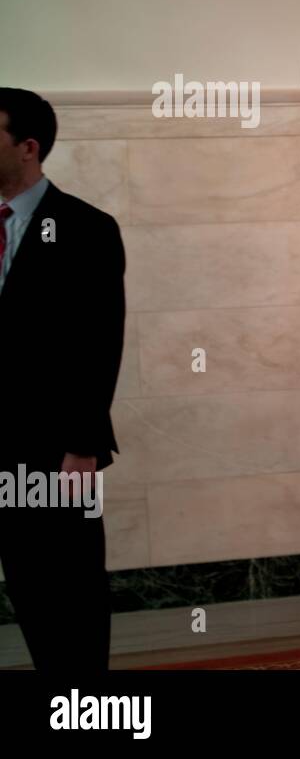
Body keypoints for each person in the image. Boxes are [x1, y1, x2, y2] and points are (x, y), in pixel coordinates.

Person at [0, 87, 126, 671]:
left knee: (66, 592)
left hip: (54, 452)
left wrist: (82, 445)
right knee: (24, 591)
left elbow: (98, 343)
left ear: (28, 146)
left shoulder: (85, 229)